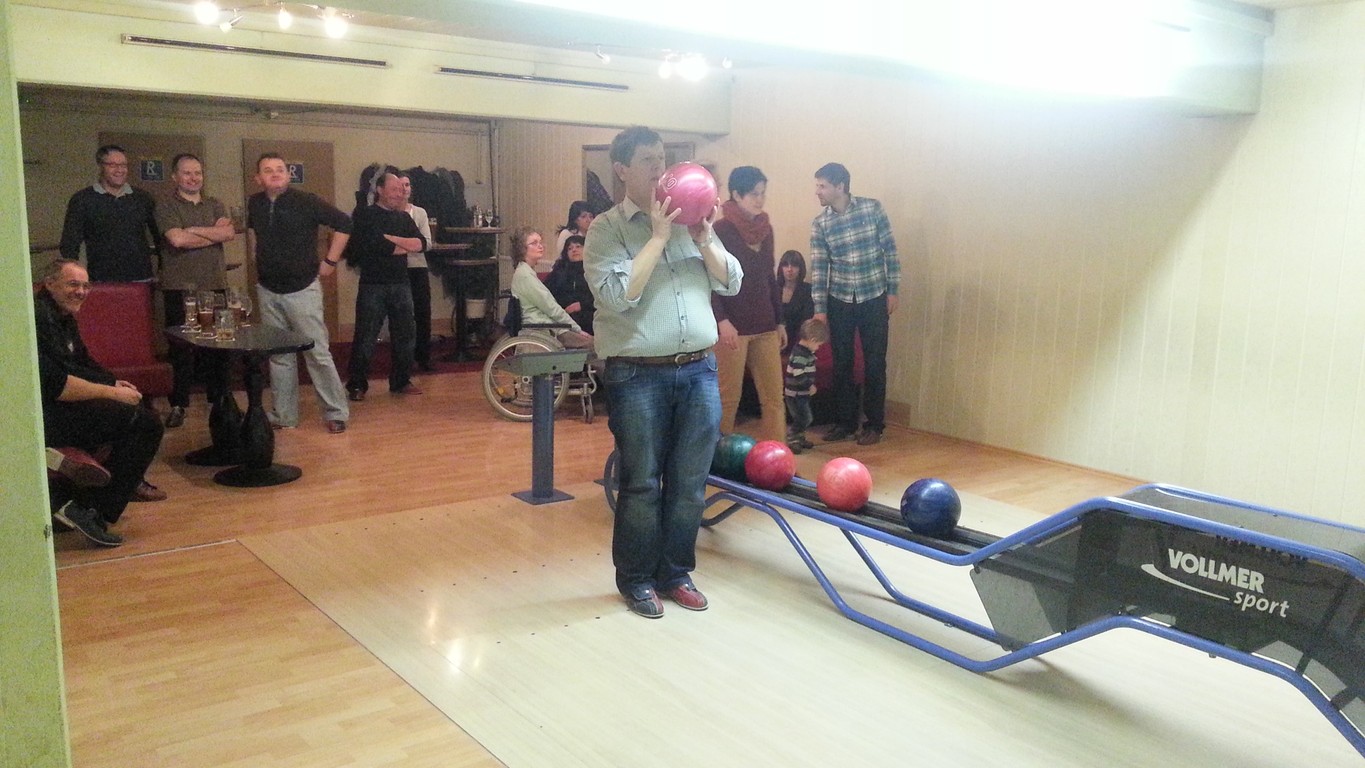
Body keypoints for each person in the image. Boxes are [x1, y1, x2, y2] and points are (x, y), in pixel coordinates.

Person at [584, 126, 743, 619]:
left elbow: (732, 283)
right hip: (637, 376)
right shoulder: (606, 229)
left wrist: (706, 238)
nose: (659, 168)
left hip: (698, 371)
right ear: (622, 169)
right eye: (648, 160)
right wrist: (657, 238)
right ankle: (636, 580)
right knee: (640, 484)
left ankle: (675, 573)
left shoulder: (693, 222)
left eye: (662, 159)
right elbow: (617, 295)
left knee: (690, 483)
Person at [35, 259, 166, 547]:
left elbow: (82, 362)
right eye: (73, 284)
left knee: (137, 415)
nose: (81, 291)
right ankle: (90, 509)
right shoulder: (38, 319)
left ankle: (76, 503)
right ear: (49, 283)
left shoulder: (61, 315)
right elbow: (57, 386)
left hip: (56, 407)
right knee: (146, 424)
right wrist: (112, 393)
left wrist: (114, 383)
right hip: (42, 416)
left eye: (85, 285)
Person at [246, 152, 352, 434]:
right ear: (258, 178)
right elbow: (254, 232)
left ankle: (336, 413)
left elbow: (345, 224)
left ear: (288, 174)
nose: (275, 173)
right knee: (279, 356)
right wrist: (257, 259)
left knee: (317, 353)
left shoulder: (307, 201)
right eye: (268, 170)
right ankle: (284, 415)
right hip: (268, 290)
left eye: (280, 169)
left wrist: (330, 261)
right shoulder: (255, 203)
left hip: (303, 289)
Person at [809, 162, 900, 447]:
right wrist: (820, 310)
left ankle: (874, 425)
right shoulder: (820, 224)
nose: (817, 191)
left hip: (874, 295)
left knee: (875, 363)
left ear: (840, 186)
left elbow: (890, 251)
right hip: (840, 299)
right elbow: (820, 269)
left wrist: (893, 291)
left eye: (822, 186)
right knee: (842, 364)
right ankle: (845, 423)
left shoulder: (872, 209)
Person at [155, 152, 235, 428]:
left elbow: (228, 233)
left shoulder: (215, 204)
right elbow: (177, 240)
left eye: (197, 173)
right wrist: (210, 234)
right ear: (175, 177)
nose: (193, 178)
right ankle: (179, 404)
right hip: (180, 288)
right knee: (182, 350)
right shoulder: (165, 206)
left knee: (219, 347)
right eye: (187, 173)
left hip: (215, 286)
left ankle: (220, 401)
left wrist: (193, 230)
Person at [711, 166, 785, 444]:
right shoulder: (720, 230)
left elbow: (770, 277)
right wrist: (721, 321)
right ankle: (716, 455)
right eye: (754, 194)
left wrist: (780, 321)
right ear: (736, 194)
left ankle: (778, 455)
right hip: (733, 327)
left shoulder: (766, 230)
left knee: (774, 397)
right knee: (728, 397)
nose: (760, 199)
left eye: (763, 193)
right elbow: (710, 281)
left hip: (765, 325)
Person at [344, 170, 427, 400]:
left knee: (405, 335)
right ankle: (357, 384)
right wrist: (400, 245)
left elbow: (420, 244)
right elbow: (372, 244)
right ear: (380, 190)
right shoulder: (365, 214)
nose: (399, 193)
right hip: (373, 284)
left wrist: (389, 239)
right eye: (394, 189)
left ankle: (401, 381)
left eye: (401, 190)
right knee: (366, 336)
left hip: (401, 282)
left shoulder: (404, 218)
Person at [59, 144, 159, 282]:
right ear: (100, 166)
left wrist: (162, 269)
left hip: (141, 278)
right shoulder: (82, 199)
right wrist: (74, 277)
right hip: (101, 280)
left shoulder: (143, 198)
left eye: (123, 165)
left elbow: (159, 237)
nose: (119, 170)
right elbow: (70, 244)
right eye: (112, 165)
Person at [509, 227, 593, 349]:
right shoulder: (526, 276)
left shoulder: (525, 272)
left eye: (540, 242)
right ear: (522, 248)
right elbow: (551, 308)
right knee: (597, 346)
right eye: (534, 243)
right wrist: (577, 329)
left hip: (550, 325)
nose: (540, 246)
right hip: (545, 329)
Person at [401, 173, 436, 372]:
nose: (405, 188)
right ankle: (404, 358)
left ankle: (423, 356)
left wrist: (405, 244)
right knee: (402, 315)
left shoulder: (420, 213)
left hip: (418, 268)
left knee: (423, 312)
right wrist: (412, 243)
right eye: (401, 185)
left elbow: (427, 243)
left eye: (407, 184)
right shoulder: (389, 212)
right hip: (397, 268)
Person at [784, 318, 828, 455]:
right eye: (818, 345)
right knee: (804, 418)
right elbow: (798, 373)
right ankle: (792, 438)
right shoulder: (800, 355)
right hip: (796, 393)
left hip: (800, 393)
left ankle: (799, 438)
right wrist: (809, 386)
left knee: (802, 416)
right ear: (812, 340)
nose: (818, 348)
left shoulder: (805, 352)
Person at [544, 234, 595, 333]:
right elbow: (547, 293)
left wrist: (582, 305)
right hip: (564, 316)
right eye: (570, 248)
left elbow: (601, 297)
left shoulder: (594, 269)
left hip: (589, 313)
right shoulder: (559, 270)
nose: (574, 250)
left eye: (578, 246)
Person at [777, 250, 814, 356]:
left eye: (794, 265)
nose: (789, 269)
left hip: (798, 340)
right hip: (774, 338)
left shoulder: (808, 290)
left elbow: (807, 321)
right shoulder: (773, 288)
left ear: (800, 268)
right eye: (786, 265)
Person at [552, 200, 595, 266]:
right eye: (583, 216)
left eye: (591, 216)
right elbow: (563, 257)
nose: (588, 220)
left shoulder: (594, 234)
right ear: (575, 219)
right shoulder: (566, 234)